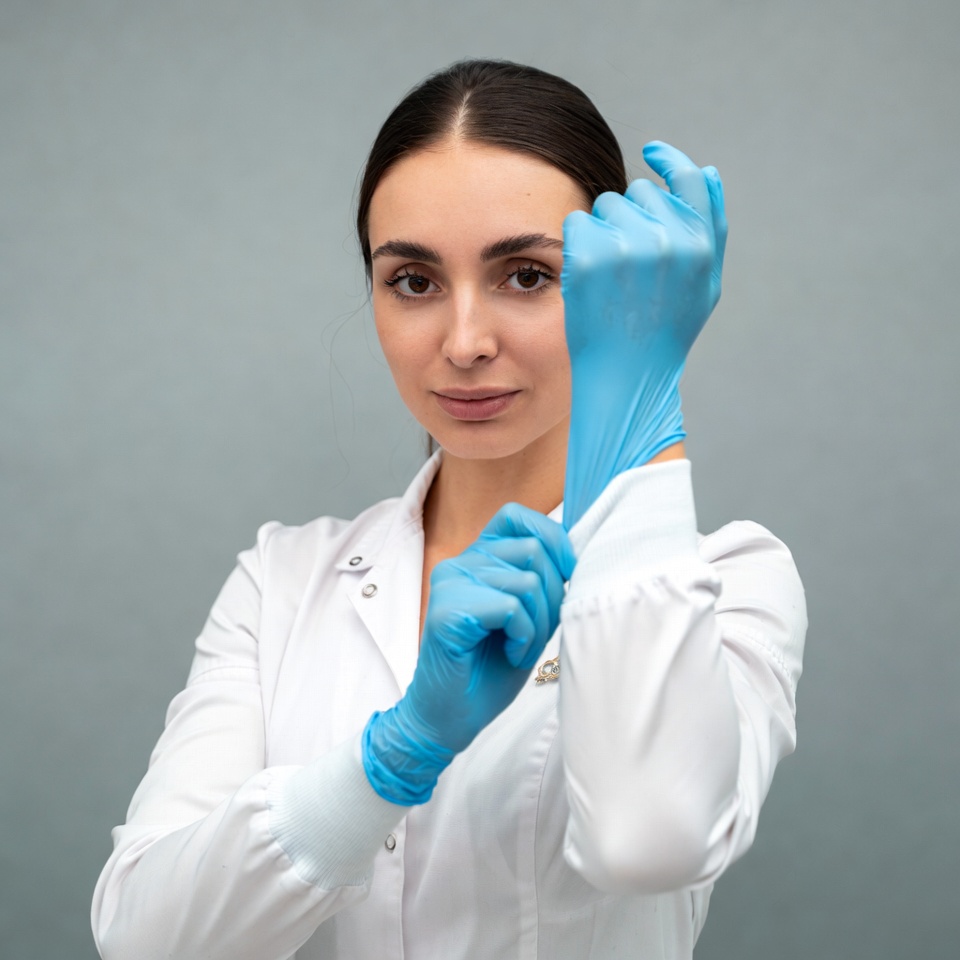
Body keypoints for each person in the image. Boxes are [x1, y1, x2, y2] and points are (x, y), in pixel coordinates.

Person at [92, 59, 806, 959]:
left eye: (527, 276)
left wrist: (645, 399)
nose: (465, 343)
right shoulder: (283, 584)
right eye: (415, 283)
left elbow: (647, 843)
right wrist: (394, 756)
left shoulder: (730, 581)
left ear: (612, 286)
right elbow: (143, 938)